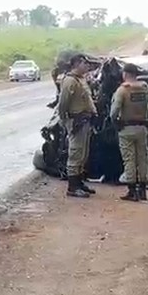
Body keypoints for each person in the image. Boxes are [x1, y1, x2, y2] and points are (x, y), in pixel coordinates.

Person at [56, 53, 96, 198]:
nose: (87, 66)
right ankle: (72, 186)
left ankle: (79, 182)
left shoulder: (81, 79)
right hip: (76, 121)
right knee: (75, 153)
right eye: (84, 63)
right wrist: (65, 121)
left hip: (85, 120)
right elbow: (63, 103)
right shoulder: (70, 81)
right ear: (77, 64)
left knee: (83, 154)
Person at [110, 63, 148, 202]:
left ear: (125, 74)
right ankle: (143, 191)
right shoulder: (145, 88)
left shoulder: (122, 90)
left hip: (126, 128)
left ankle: (132, 190)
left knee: (129, 159)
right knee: (143, 158)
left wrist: (115, 123)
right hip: (142, 127)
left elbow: (114, 112)